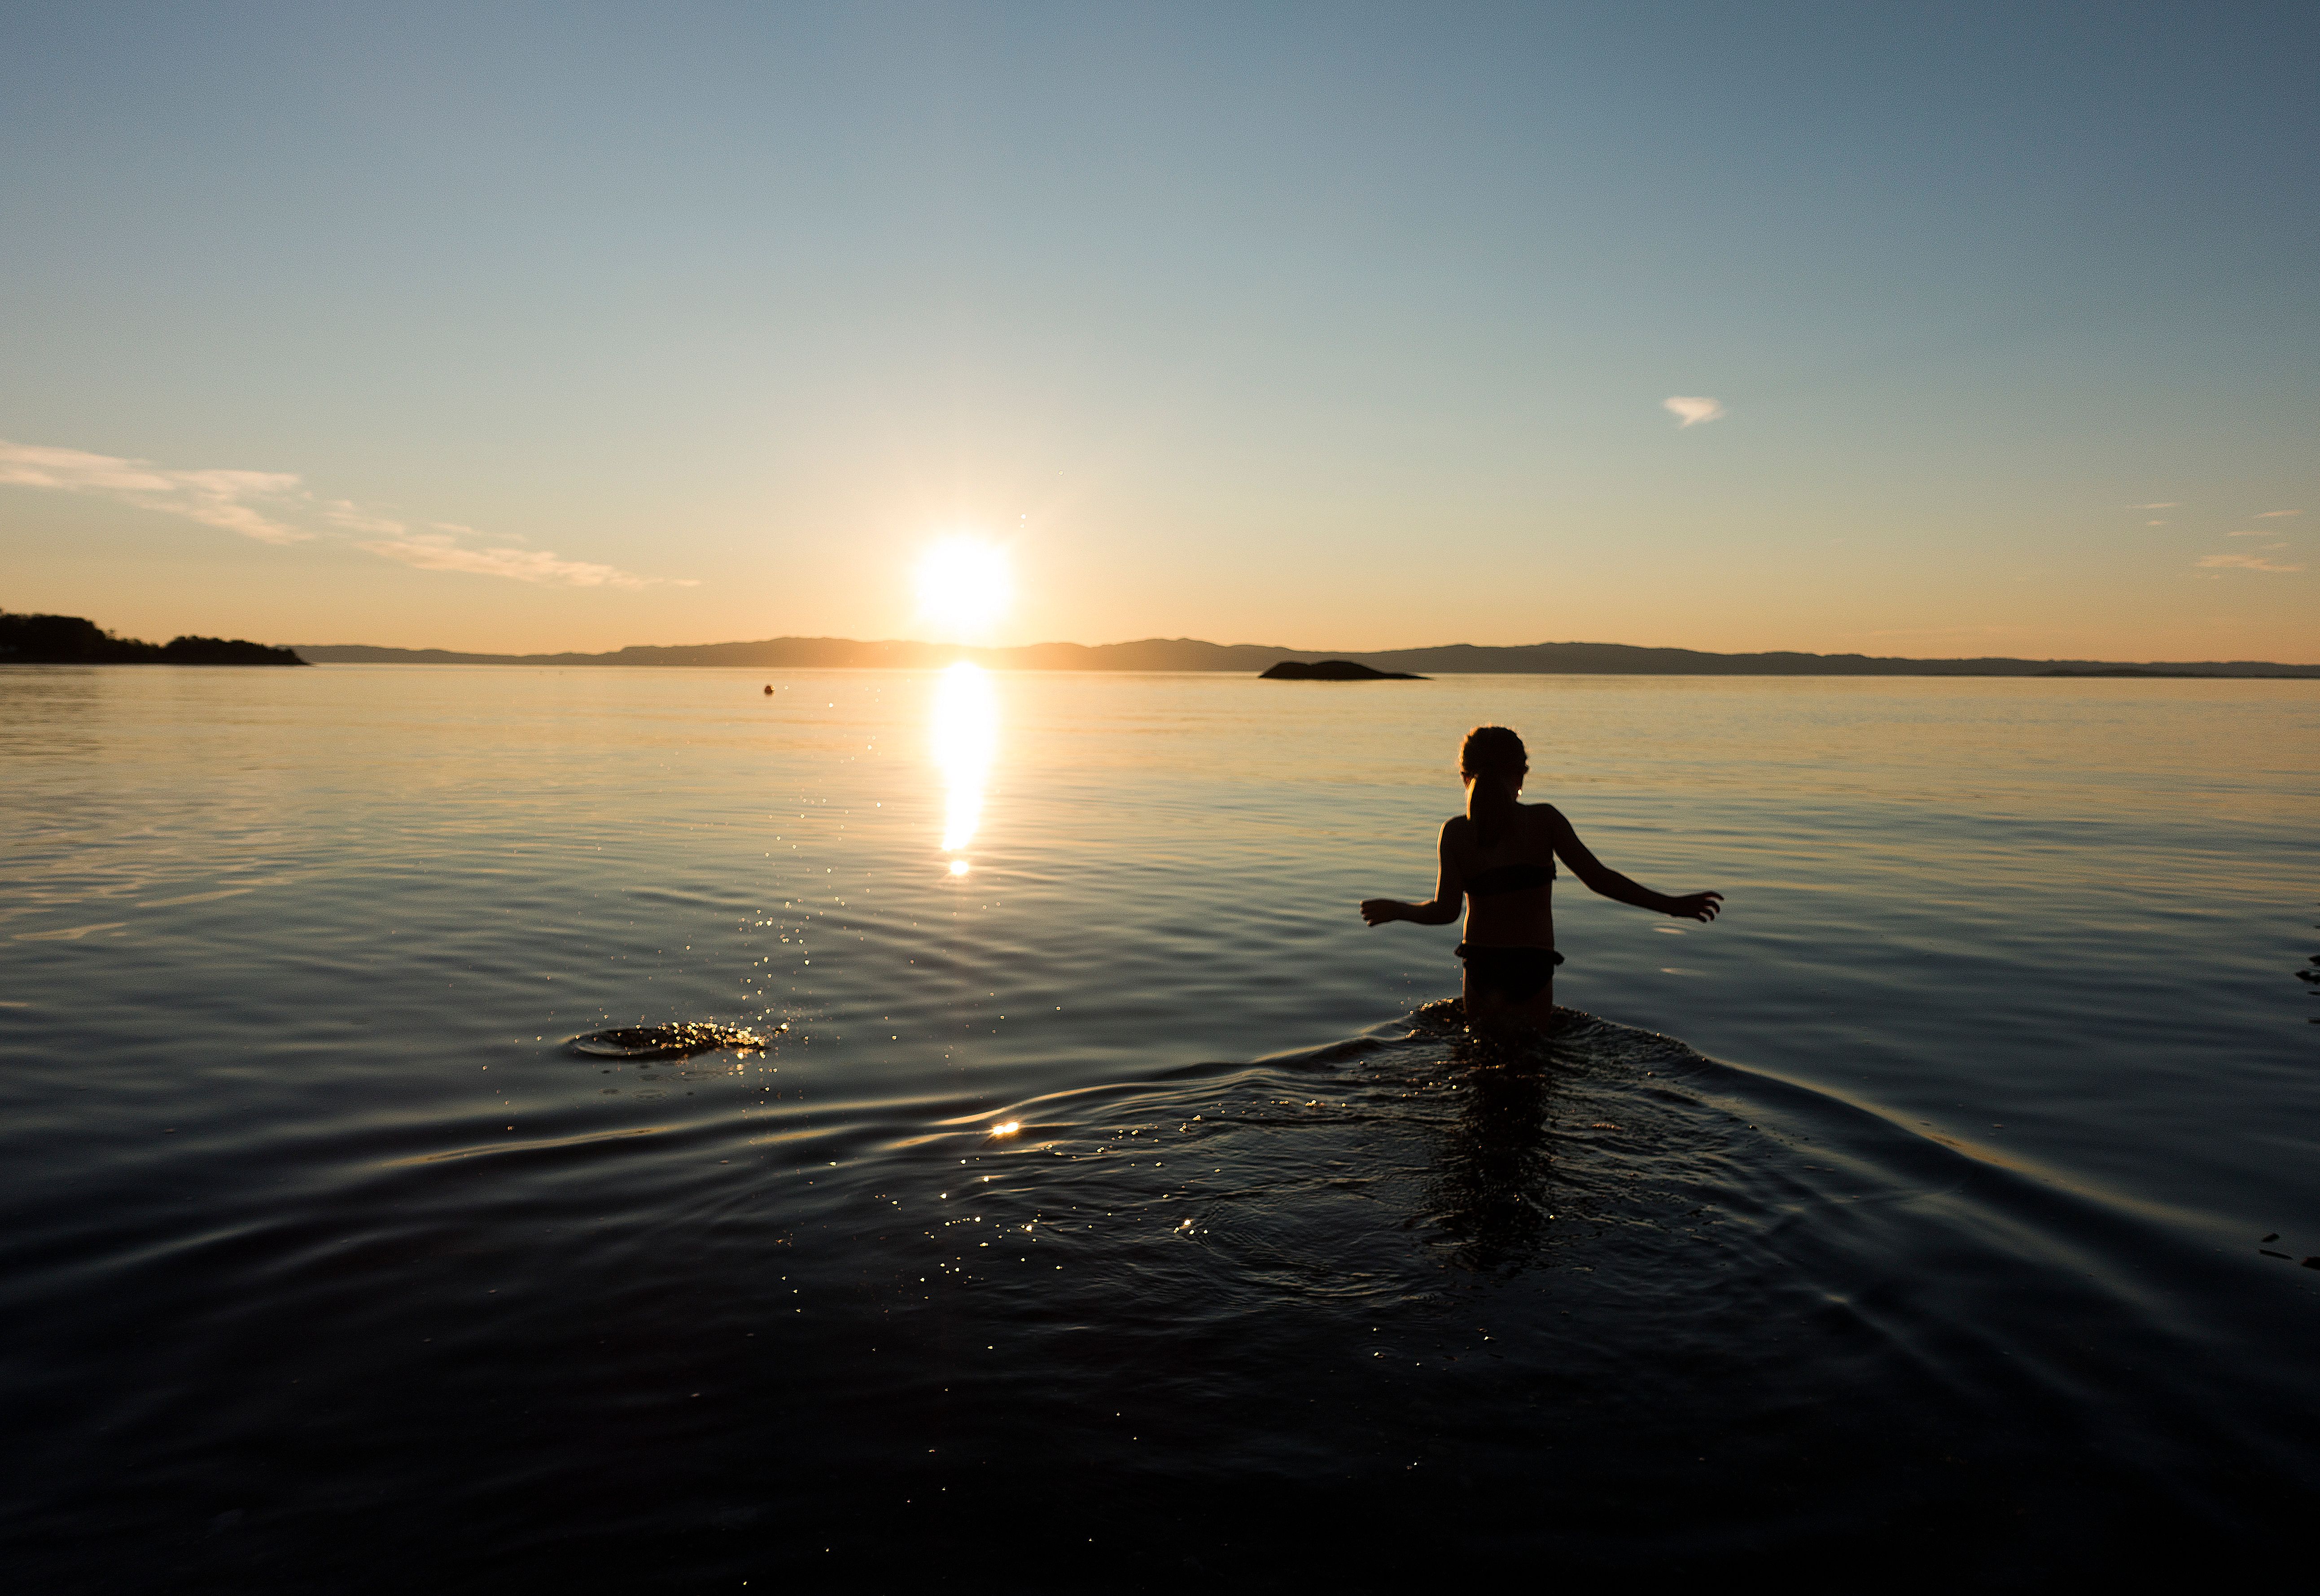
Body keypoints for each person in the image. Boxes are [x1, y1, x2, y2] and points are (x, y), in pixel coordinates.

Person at [1360, 725, 1722, 1031]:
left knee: (1481, 1069)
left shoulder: (1455, 833)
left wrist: (1398, 910)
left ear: (1464, 776)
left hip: (1483, 964)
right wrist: (1672, 906)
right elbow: (1599, 879)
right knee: (1531, 1074)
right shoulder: (1545, 822)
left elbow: (1445, 911)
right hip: (1532, 966)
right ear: (1521, 775)